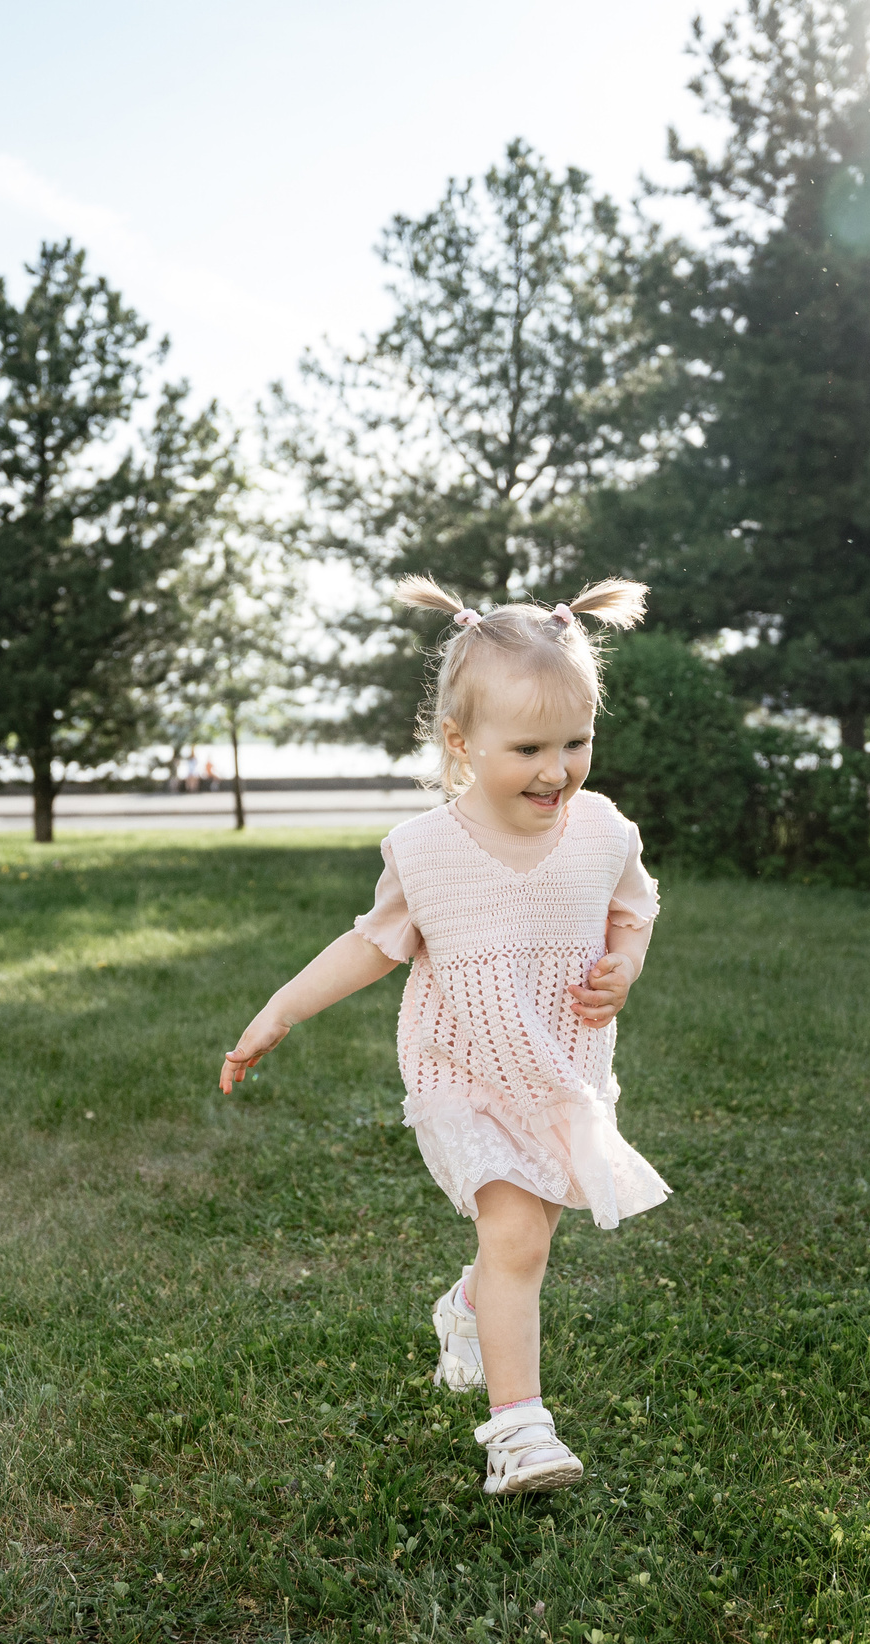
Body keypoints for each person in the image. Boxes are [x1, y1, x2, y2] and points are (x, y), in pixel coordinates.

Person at [219, 576, 667, 1497]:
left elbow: (636, 910)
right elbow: (373, 943)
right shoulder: (429, 850)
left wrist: (625, 965)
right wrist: (279, 1009)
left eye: (576, 742)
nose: (558, 769)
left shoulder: (603, 833)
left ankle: (467, 1308)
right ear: (462, 745)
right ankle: (519, 1431)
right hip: (462, 1068)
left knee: (527, 1239)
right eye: (531, 747)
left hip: (561, 1070)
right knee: (515, 1232)